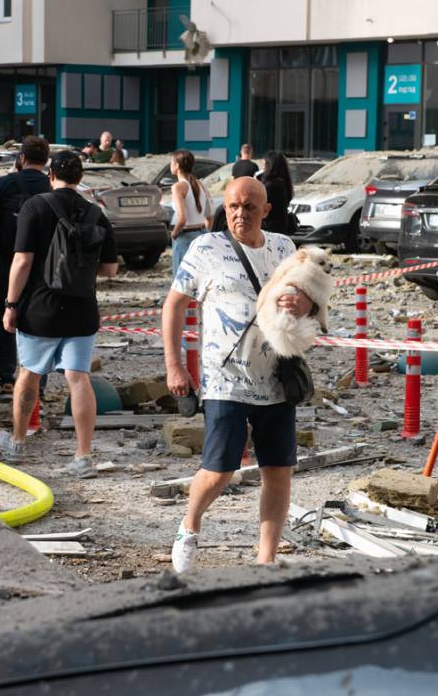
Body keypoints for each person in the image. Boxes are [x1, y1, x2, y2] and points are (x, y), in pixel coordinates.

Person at [163, 177, 318, 572]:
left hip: (277, 378)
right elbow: (174, 305)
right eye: (233, 206)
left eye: (249, 207)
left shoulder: (284, 248)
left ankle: (266, 560)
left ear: (266, 210)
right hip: (225, 379)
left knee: (278, 471)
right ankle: (189, 527)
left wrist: (302, 304)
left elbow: (314, 301)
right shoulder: (206, 248)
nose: (240, 214)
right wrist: (174, 364)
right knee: (219, 470)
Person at [0, 151, 119, 477]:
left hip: (40, 309)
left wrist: (10, 304)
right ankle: (83, 456)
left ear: (51, 176)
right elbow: (110, 269)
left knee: (29, 374)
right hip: (82, 310)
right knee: (78, 378)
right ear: (80, 177)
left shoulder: (34, 207)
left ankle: (18, 443)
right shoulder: (95, 212)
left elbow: (22, 261)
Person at [0, 136, 52, 402]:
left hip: (7, 264)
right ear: (46, 160)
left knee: (7, 322)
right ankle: (37, 386)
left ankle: (7, 383)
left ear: (22, 158)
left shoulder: (4, 184)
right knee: (40, 326)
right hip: (44, 269)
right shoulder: (51, 185)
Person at [169, 149, 210, 276]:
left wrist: (174, 233)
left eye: (171, 162)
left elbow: (182, 218)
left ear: (177, 165)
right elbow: (210, 214)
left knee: (181, 279)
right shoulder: (201, 184)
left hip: (185, 235)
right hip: (201, 233)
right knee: (199, 277)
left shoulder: (178, 187)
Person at [210, 160, 261, 234]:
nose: (241, 214)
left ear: (232, 179)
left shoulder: (222, 211)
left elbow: (215, 235)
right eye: (234, 206)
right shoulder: (261, 207)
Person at [259, 151, 294, 235]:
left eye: (265, 164)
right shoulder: (284, 183)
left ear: (270, 166)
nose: (263, 168)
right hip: (281, 226)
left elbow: (259, 204)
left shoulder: (270, 185)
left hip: (269, 227)